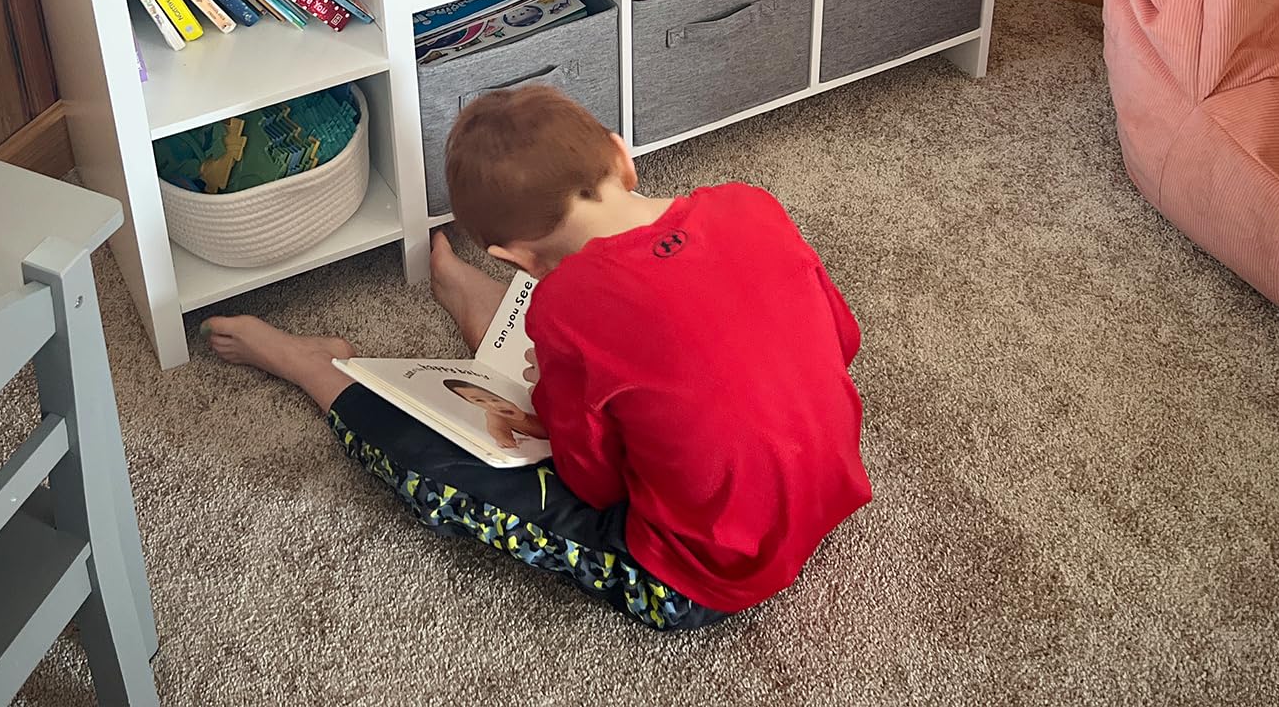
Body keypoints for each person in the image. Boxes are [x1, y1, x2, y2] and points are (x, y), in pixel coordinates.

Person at [204, 85, 871, 631]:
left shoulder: (567, 308)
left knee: (453, 480)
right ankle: (479, 310)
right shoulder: (749, 204)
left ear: (517, 259)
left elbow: (595, 483)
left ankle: (321, 371)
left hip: (699, 581)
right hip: (828, 496)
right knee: (619, 350)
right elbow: (843, 339)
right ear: (622, 155)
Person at [442, 378, 548, 453]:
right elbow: (498, 432)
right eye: (479, 401)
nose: (493, 404)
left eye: (495, 399)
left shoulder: (527, 403)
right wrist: (504, 440)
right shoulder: (495, 417)